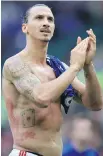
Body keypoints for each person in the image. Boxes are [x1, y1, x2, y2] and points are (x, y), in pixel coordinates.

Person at [2, 4, 103, 156]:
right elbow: (41, 97)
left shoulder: (58, 67)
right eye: (39, 18)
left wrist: (87, 65)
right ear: (25, 28)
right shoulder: (14, 64)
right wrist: (75, 66)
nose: (46, 22)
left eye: (50, 19)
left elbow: (95, 103)